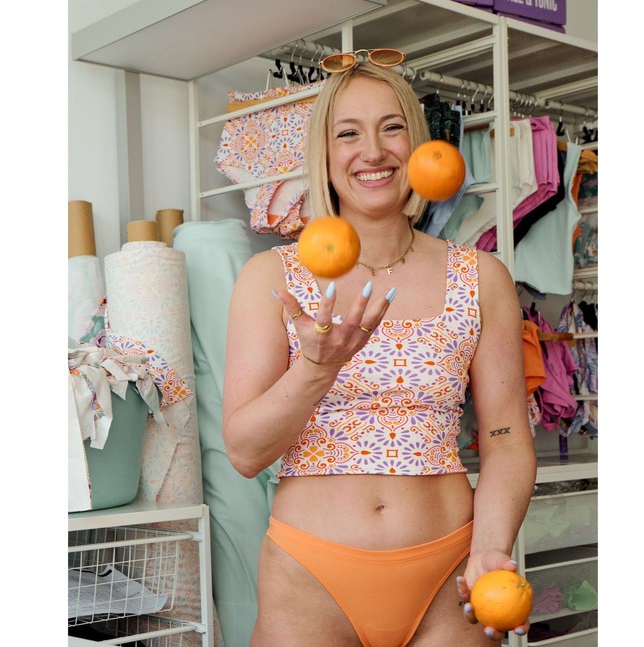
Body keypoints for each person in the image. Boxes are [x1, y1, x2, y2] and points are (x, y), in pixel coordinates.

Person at [222, 50, 537, 647]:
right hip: (310, 579)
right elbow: (244, 451)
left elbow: (505, 440)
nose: (373, 151)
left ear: (417, 145)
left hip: (449, 577)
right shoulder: (272, 277)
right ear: (324, 155)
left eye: (392, 127)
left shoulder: (481, 277)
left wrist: (490, 549)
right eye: (348, 133)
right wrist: (316, 370)